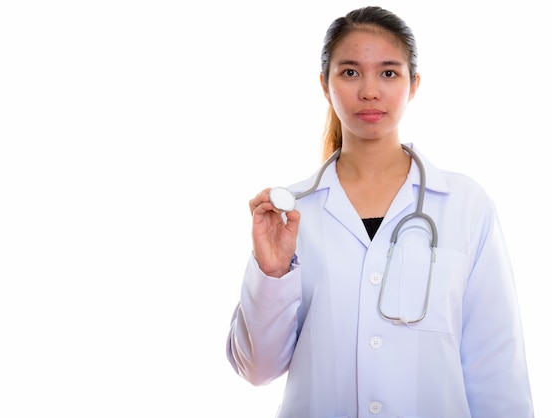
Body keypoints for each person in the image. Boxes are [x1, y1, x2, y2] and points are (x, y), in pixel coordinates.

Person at [226, 5, 534, 418]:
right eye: (350, 72)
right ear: (325, 84)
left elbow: (496, 367)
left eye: (388, 72)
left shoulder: (466, 203)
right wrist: (272, 274)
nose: (369, 90)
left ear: (413, 84)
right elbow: (257, 370)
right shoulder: (290, 214)